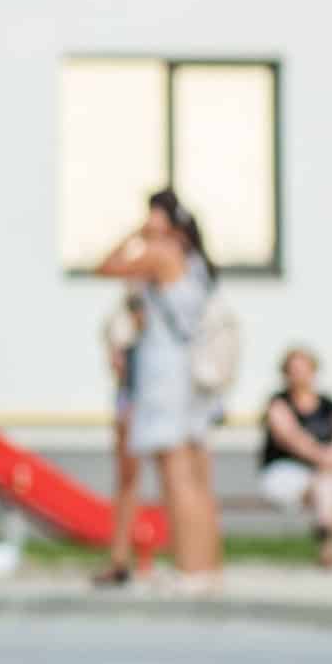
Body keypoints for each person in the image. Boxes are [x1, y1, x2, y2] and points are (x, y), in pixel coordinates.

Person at [93, 189, 224, 588]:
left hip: (164, 377)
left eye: (151, 217)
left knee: (175, 473)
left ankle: (191, 568)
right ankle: (202, 565)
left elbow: (107, 267)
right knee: (194, 476)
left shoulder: (162, 253)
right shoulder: (193, 260)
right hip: (185, 378)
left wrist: (134, 234)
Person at [259, 345, 332, 569]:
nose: (299, 375)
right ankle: (328, 542)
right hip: (284, 471)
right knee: (329, 479)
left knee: (328, 479)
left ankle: (326, 533)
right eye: (294, 369)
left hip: (322, 474)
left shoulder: (330, 404)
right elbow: (291, 439)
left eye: (304, 369)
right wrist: (326, 457)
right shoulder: (278, 403)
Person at [92, 291, 148, 587]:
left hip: (158, 409)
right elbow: (119, 368)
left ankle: (193, 561)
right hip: (131, 406)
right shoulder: (127, 336)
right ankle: (120, 557)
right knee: (127, 481)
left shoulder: (166, 334)